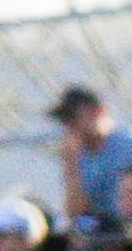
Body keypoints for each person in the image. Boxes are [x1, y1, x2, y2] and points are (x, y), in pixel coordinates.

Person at [54, 86, 129, 242]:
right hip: (100, 231)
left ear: (98, 111)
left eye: (72, 118)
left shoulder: (127, 145)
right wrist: (70, 167)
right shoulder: (78, 156)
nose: (68, 126)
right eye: (64, 121)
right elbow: (76, 213)